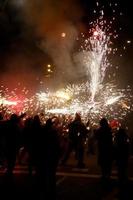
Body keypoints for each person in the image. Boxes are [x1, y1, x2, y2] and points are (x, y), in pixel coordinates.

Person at [96, 118, 113, 183]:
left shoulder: (100, 130)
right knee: (108, 163)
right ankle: (107, 175)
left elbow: (97, 137)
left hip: (103, 148)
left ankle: (104, 175)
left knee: (103, 163)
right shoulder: (108, 129)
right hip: (108, 148)